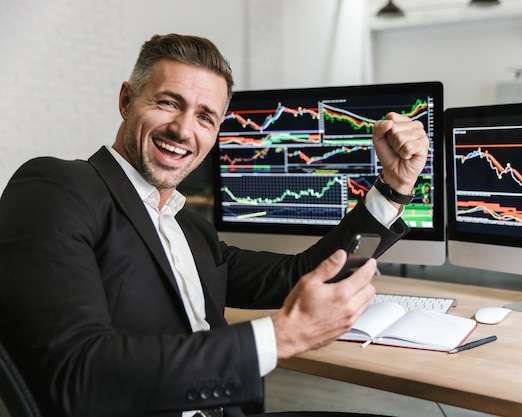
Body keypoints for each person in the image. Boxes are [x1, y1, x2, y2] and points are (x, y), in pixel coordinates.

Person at [0, 34, 429, 417]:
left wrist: (394, 187)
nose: (184, 129)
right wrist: (282, 336)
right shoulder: (56, 188)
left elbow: (300, 275)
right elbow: (78, 375)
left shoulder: (190, 227)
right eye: (168, 102)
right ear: (127, 100)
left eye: (206, 117)